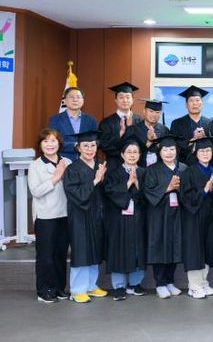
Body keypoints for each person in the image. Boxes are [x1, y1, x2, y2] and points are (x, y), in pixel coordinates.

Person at [62, 130, 108, 303]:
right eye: (86, 146)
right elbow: (77, 195)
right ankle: (77, 290)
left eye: (93, 145)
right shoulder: (73, 169)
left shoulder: (99, 165)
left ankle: (91, 285)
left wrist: (103, 178)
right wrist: (96, 180)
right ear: (78, 148)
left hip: (97, 215)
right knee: (82, 251)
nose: (90, 149)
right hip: (80, 216)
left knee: (94, 250)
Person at [28, 129, 71, 303]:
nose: (50, 144)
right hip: (45, 216)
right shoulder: (35, 165)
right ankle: (44, 290)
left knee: (60, 254)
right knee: (46, 256)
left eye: (53, 141)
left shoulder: (67, 162)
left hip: (65, 214)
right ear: (40, 145)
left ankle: (59, 288)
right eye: (45, 141)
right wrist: (56, 177)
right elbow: (36, 191)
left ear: (59, 143)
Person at [103, 136, 147, 301]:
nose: (132, 155)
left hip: (139, 218)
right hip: (118, 219)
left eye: (135, 152)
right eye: (129, 152)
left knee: (138, 249)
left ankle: (135, 284)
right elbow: (109, 193)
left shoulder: (144, 172)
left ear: (140, 154)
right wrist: (128, 183)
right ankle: (119, 286)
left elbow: (149, 196)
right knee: (119, 249)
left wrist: (137, 184)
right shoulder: (113, 172)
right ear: (122, 154)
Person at [143, 134, 186, 299]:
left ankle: (170, 281)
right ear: (159, 152)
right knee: (160, 248)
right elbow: (148, 192)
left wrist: (180, 189)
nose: (169, 152)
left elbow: (189, 192)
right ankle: (160, 283)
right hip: (159, 216)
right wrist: (168, 188)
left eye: (172, 149)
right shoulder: (152, 170)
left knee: (175, 248)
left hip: (178, 215)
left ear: (177, 150)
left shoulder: (183, 169)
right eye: (165, 149)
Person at [179, 136, 213, 299]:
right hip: (193, 216)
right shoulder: (189, 172)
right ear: (196, 153)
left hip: (210, 216)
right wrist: (205, 190)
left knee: (207, 249)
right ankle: (194, 286)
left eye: (208, 150)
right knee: (194, 250)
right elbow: (185, 197)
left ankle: (203, 282)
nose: (205, 153)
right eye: (202, 151)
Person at [99, 82, 143, 169]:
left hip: (136, 166)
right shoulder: (106, 122)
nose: (125, 100)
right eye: (121, 97)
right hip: (114, 166)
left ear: (132, 100)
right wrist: (120, 134)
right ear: (116, 100)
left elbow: (142, 144)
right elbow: (104, 145)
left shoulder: (139, 120)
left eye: (128, 97)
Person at [47, 87, 97, 161]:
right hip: (63, 161)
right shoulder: (55, 119)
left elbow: (96, 141)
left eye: (78, 97)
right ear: (64, 101)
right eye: (71, 97)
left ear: (83, 100)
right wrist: (75, 145)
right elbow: (52, 142)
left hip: (86, 162)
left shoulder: (91, 120)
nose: (75, 100)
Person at [170, 85, 211, 166]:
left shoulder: (210, 123)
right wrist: (192, 140)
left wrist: (205, 138)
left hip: (206, 166)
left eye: (197, 100)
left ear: (202, 104)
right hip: (184, 167)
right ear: (186, 105)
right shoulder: (177, 123)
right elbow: (173, 146)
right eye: (191, 100)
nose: (194, 103)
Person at [123, 98, 169, 167]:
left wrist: (157, 143)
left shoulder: (165, 130)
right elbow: (127, 152)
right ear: (144, 111)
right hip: (138, 168)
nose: (154, 115)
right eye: (151, 111)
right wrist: (148, 143)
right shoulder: (133, 130)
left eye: (157, 112)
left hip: (159, 169)